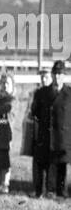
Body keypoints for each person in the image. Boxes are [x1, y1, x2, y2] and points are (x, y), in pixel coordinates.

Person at [29, 68, 56, 197]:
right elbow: (33, 112)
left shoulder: (56, 93)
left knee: (52, 162)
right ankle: (38, 189)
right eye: (42, 78)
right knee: (38, 162)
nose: (43, 80)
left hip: (53, 132)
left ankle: (50, 189)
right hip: (40, 131)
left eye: (46, 77)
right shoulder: (38, 93)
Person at [49, 60, 70, 198]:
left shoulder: (69, 93)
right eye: (55, 73)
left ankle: (62, 191)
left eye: (60, 74)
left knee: (62, 164)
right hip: (51, 134)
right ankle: (50, 189)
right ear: (52, 75)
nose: (57, 77)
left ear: (64, 76)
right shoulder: (45, 92)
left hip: (64, 135)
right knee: (51, 164)